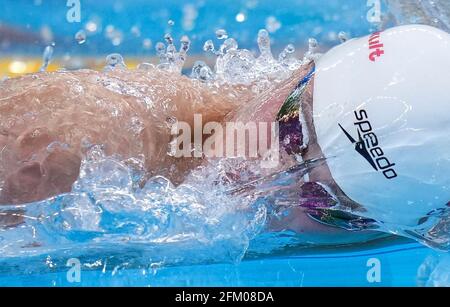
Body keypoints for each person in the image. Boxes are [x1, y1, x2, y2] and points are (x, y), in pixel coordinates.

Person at [0, 25, 448, 246]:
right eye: (292, 132)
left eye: (326, 204)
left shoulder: (414, 215)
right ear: (301, 73)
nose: (271, 178)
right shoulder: (60, 150)